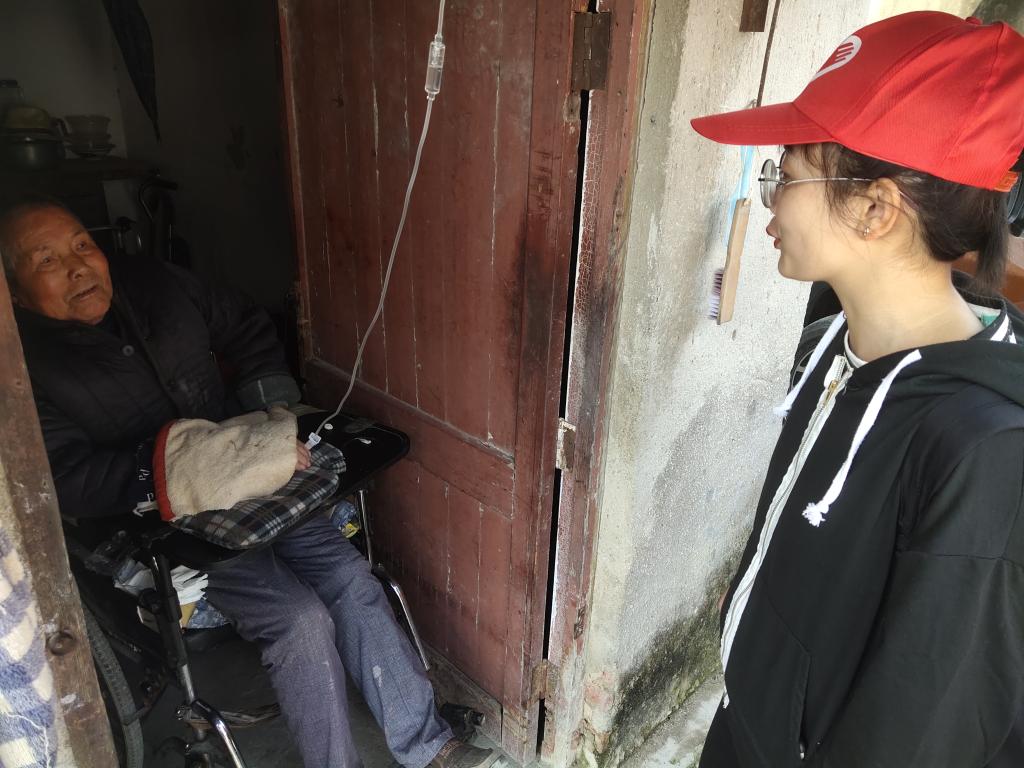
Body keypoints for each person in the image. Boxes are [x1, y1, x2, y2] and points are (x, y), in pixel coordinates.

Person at [0, 198, 495, 768]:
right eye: (47, 260)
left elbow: (243, 324)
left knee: (349, 579)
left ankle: (429, 747)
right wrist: (187, 470)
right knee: (298, 621)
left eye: (82, 245)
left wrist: (272, 417)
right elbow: (68, 477)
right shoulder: (24, 371)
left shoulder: (156, 283)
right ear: (16, 292)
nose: (78, 267)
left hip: (256, 476)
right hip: (174, 520)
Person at [690, 11, 1024, 768]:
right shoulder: (832, 347)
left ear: (876, 208)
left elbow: (927, 727)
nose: (772, 204)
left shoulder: (985, 450)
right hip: (747, 729)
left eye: (786, 176)